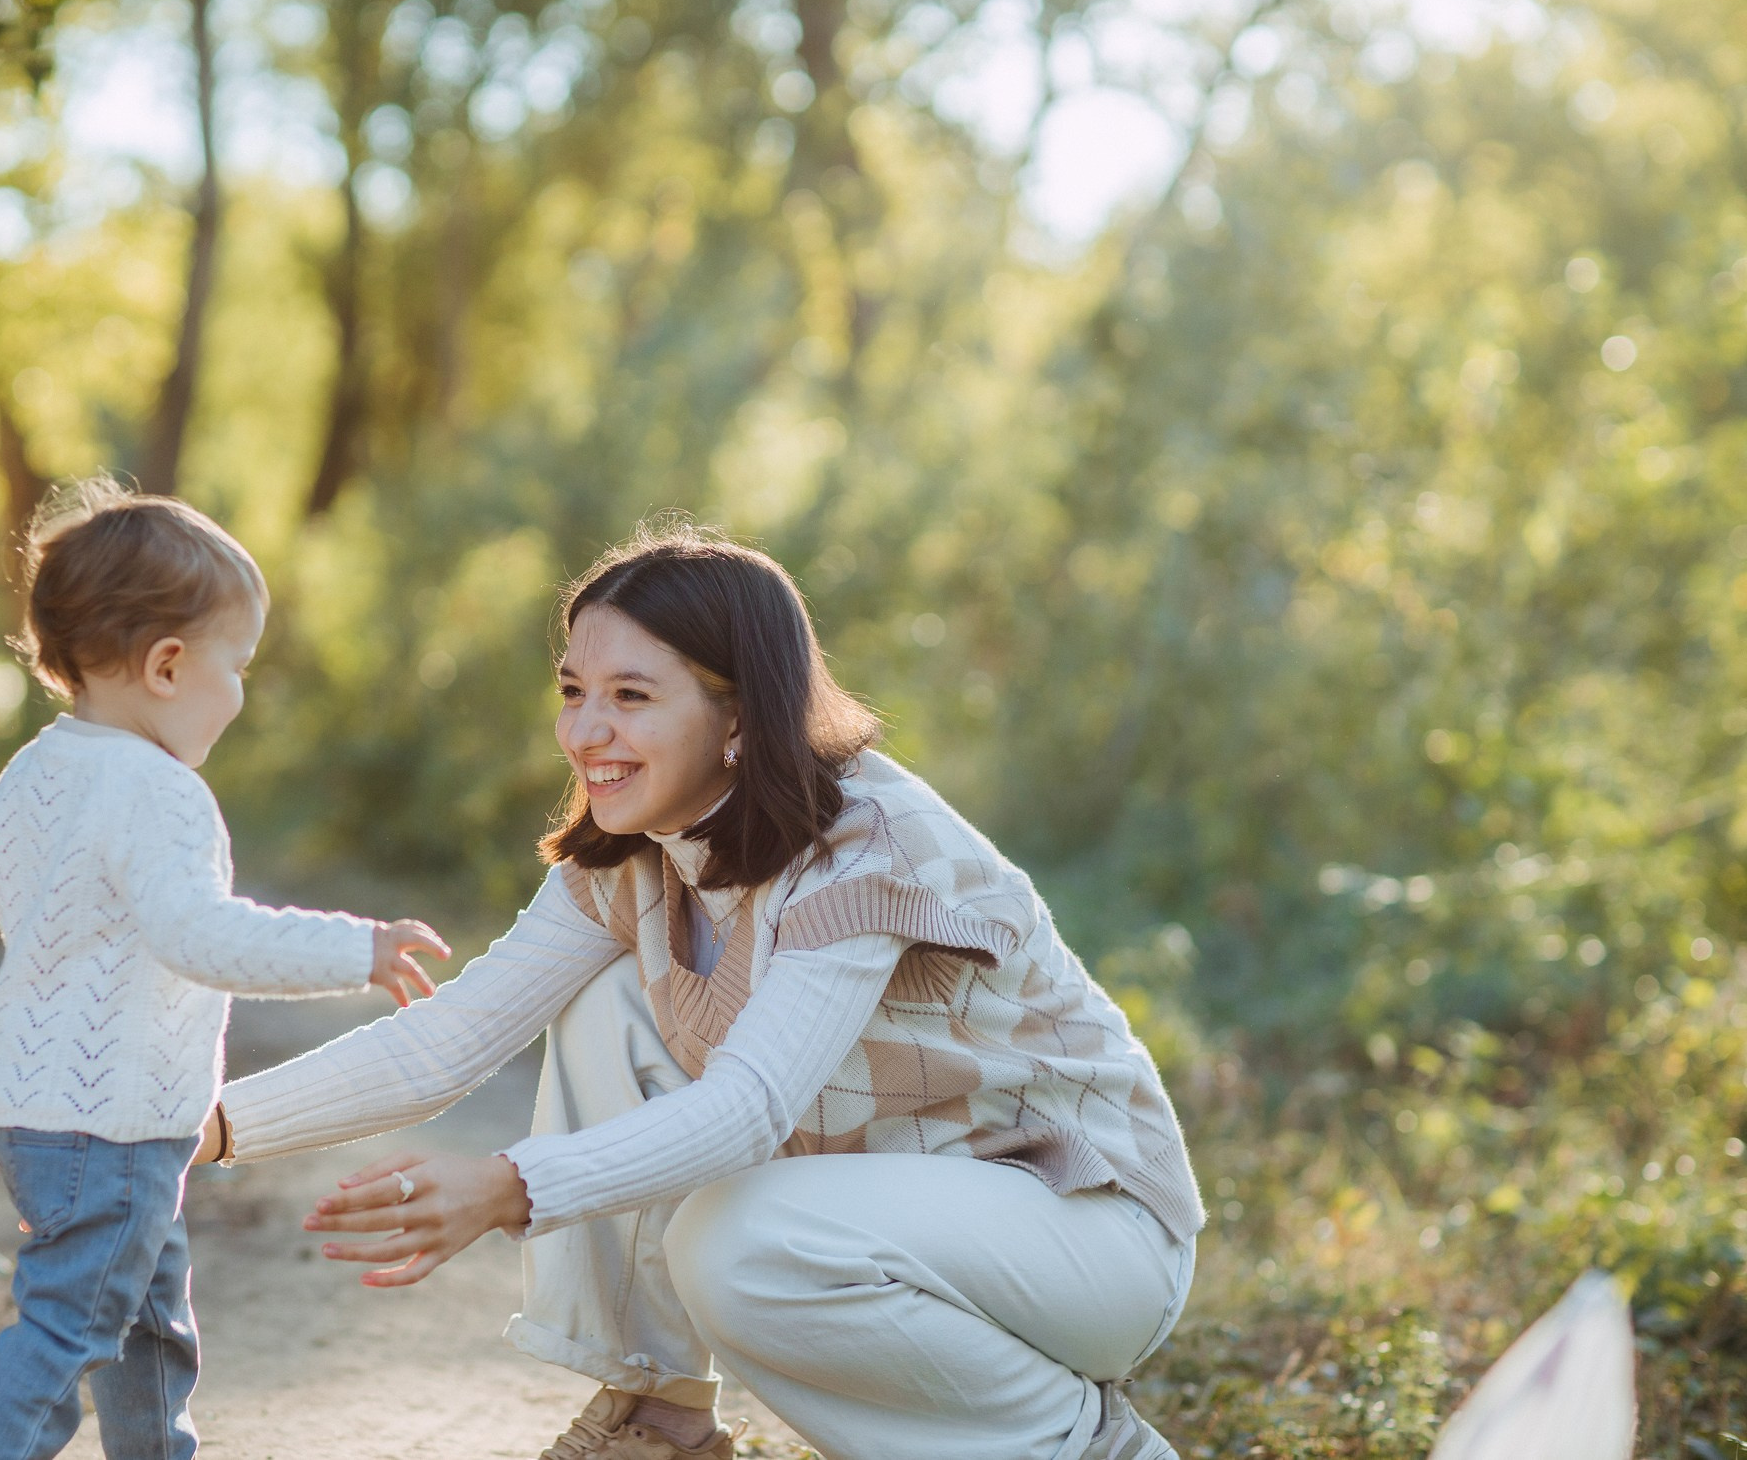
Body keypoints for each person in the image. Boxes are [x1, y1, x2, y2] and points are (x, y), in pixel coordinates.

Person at [212, 523, 1203, 1460]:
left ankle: (1086, 1446)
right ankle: (659, 1420)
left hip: (1083, 1233)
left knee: (739, 1244)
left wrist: (510, 1184)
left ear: (737, 714)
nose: (584, 731)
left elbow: (748, 1110)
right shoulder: (634, 858)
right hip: (901, 1218)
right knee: (608, 1003)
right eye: (573, 691)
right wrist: (195, 1129)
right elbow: (448, 1039)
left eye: (631, 696)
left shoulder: (864, 847)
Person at [0, 480, 450, 1460]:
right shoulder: (160, 791)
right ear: (168, 665)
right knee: (66, 1333)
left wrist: (18, 819)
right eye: (238, 665)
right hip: (113, 1127)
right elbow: (202, 936)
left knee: (147, 1321)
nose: (241, 692)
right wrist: (359, 949)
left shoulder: (39, 766)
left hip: (37, 1118)